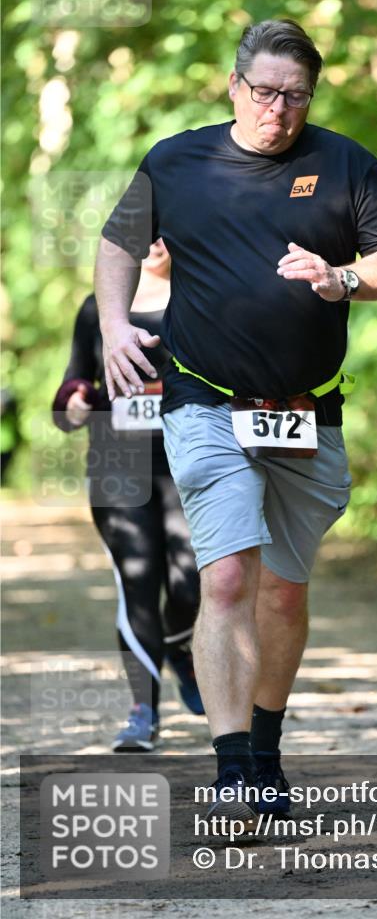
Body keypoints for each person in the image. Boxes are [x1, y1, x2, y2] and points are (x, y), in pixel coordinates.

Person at [95, 19, 377, 823]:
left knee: (282, 591)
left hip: (308, 412)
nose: (279, 108)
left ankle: (265, 751)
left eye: (296, 95)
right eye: (266, 91)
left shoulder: (344, 163)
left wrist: (342, 278)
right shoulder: (176, 160)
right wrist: (112, 326)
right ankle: (233, 766)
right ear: (235, 85)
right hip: (202, 399)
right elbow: (116, 242)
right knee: (230, 574)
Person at [52, 239, 203, 752]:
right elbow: (73, 383)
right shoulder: (99, 307)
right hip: (119, 466)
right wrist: (72, 401)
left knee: (193, 582)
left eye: (165, 231)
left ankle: (180, 646)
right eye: (144, 233)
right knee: (138, 582)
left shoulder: (201, 297)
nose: (155, 243)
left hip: (190, 464)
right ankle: (143, 712)